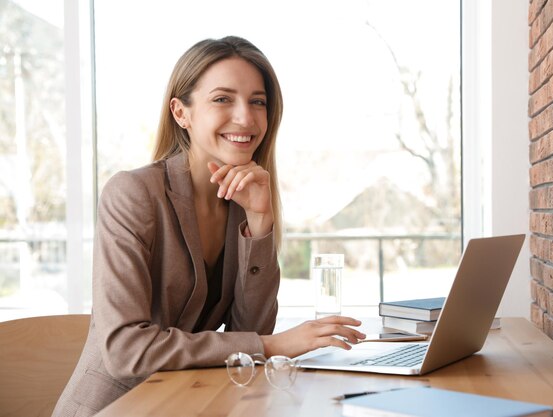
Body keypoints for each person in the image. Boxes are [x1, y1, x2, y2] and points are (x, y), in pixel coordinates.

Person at [52, 36, 365, 417]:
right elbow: (126, 349)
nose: (246, 118)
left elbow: (250, 326)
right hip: (116, 409)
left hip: (195, 402)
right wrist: (271, 347)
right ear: (181, 113)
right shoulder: (133, 194)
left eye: (257, 101)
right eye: (222, 99)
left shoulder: (242, 202)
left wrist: (260, 224)